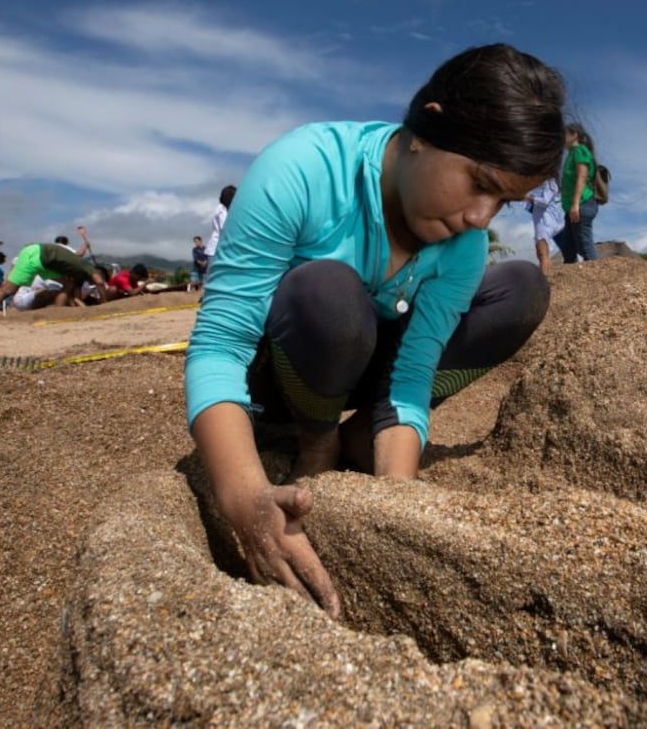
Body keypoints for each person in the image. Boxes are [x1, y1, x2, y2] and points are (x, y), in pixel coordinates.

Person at [186, 43, 563, 617]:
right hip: (280, 373)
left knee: (520, 291)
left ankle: (367, 435)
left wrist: (395, 508)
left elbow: (413, 373)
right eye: (479, 182)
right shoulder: (303, 168)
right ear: (426, 128)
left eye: (504, 202)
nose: (480, 218)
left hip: (366, 369)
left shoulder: (460, 246)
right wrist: (243, 498)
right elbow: (218, 345)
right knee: (331, 296)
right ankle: (318, 439)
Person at [0, 243, 108, 318]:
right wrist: (105, 304)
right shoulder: (87, 267)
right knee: (8, 289)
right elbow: (100, 282)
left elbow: (75, 296)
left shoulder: (78, 275)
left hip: (46, 263)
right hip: (36, 255)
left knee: (68, 284)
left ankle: (58, 312)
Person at [554, 123, 600, 263]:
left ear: (574, 135)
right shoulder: (571, 154)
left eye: (564, 134)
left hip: (582, 204)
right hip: (571, 207)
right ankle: (570, 281)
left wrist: (575, 205)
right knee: (568, 247)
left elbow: (582, 176)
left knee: (584, 247)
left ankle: (597, 278)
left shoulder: (580, 150)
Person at [525, 178, 565, 274]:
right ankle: (544, 278)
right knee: (540, 253)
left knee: (543, 254)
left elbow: (545, 201)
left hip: (546, 221)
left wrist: (529, 198)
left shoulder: (551, 182)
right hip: (540, 221)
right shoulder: (542, 183)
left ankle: (545, 279)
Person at [206, 185, 236, 259]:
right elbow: (224, 227)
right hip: (218, 248)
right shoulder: (222, 209)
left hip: (217, 248)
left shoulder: (220, 208)